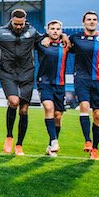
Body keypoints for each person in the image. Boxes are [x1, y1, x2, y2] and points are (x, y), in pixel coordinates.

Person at [0, 8, 48, 156]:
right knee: (13, 101)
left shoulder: (32, 32)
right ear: (11, 20)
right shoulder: (0, 32)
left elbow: (45, 39)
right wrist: (0, 52)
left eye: (21, 24)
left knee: (24, 110)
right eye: (16, 24)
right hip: (7, 72)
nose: (19, 27)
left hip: (27, 72)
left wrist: (59, 36)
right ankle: (9, 136)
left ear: (25, 21)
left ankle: (19, 144)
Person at [69, 11, 99, 160]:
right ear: (83, 22)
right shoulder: (75, 38)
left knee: (98, 115)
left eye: (94, 19)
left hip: (98, 80)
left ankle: (95, 148)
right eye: (89, 19)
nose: (92, 21)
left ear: (98, 23)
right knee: (84, 106)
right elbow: (64, 43)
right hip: (81, 78)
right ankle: (87, 141)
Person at [35, 20, 69, 157]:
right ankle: (54, 141)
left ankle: (51, 145)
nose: (55, 31)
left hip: (60, 84)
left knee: (58, 116)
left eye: (58, 29)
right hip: (44, 82)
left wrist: (65, 36)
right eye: (52, 28)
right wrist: (44, 38)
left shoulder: (66, 44)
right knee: (49, 108)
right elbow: (35, 37)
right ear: (47, 30)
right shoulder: (41, 43)